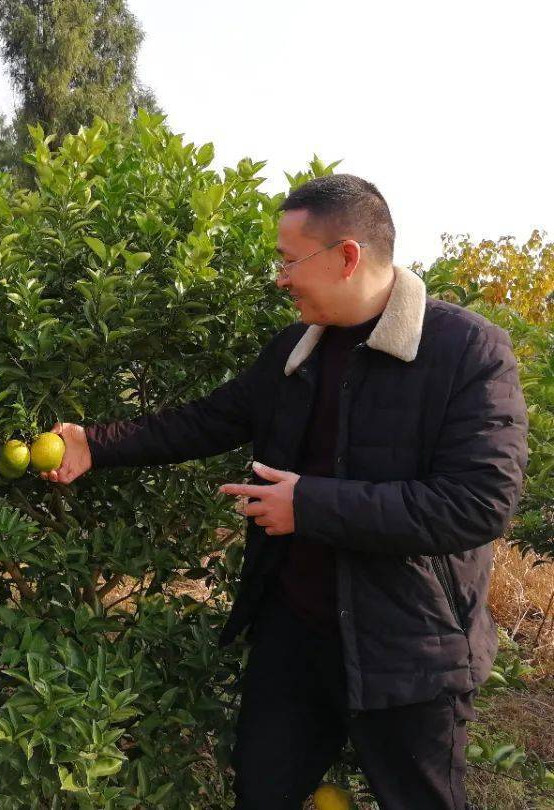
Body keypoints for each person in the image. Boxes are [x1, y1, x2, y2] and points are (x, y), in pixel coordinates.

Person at [42, 174, 528, 810]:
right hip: (294, 639)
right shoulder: (295, 353)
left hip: (409, 650)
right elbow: (208, 420)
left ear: (347, 255)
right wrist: (96, 444)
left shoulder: (466, 350)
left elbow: (480, 502)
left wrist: (310, 505)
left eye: (289, 260)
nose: (280, 278)